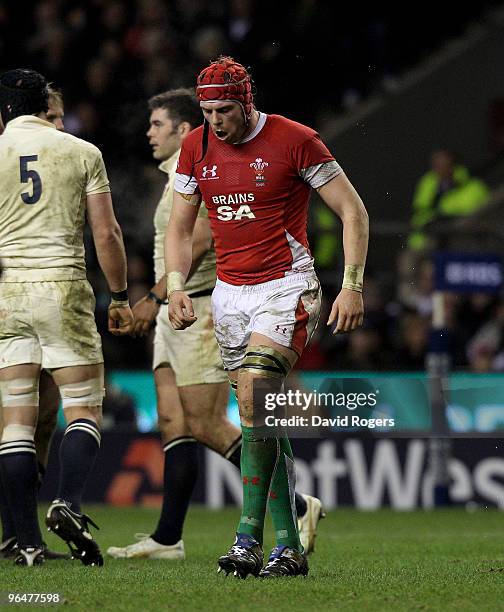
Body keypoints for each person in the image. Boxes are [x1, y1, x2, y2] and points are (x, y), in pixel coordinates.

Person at [165, 57, 369, 578]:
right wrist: (176, 285)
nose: (215, 120)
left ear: (247, 102)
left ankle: (246, 537)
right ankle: (289, 547)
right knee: (261, 420)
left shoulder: (295, 139)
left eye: (225, 110)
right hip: (229, 294)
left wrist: (351, 286)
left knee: (257, 395)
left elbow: (353, 210)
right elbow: (180, 229)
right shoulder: (195, 149)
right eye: (207, 111)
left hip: (286, 285)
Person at [107, 89, 322, 561]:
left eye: (159, 124)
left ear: (186, 130)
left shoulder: (213, 165)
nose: (149, 132)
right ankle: (168, 537)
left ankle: (296, 504)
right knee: (172, 422)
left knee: (206, 422)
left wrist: (156, 297)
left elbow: (200, 238)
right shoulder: (177, 175)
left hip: (202, 308)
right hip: (177, 310)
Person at [0, 69, 134, 567]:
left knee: (14, 426)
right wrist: (118, 295)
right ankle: (67, 502)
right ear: (44, 107)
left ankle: (28, 545)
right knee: (81, 410)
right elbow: (108, 233)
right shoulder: (81, 152)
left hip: (7, 292)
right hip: (62, 286)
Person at [0, 85, 67, 561]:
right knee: (18, 419)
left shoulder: (55, 159)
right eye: (53, 116)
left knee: (41, 415)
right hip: (16, 298)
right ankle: (22, 536)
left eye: (62, 117)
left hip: (37, 299)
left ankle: (18, 535)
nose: (59, 127)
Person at [408, 149, 489, 251]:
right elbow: (420, 210)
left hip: (462, 239)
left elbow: (482, 214)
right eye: (436, 165)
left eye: (444, 165)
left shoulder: (473, 185)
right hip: (429, 237)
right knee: (408, 260)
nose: (440, 169)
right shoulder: (428, 182)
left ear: (453, 165)